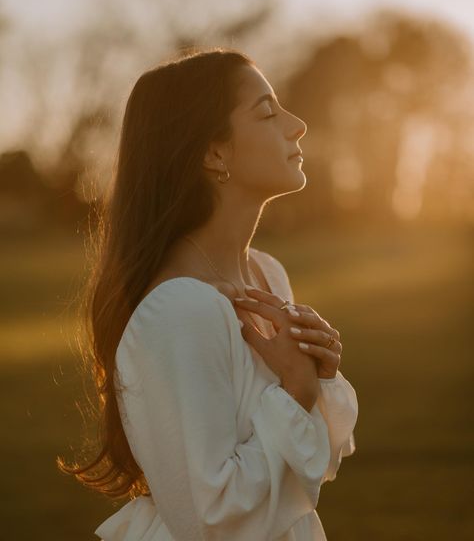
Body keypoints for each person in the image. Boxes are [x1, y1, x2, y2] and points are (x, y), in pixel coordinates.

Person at [57, 46, 358, 540]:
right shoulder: (179, 310)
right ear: (214, 152)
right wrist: (297, 391)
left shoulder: (268, 275)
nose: (297, 123)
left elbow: (312, 463)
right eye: (267, 111)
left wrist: (319, 374)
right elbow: (209, 518)